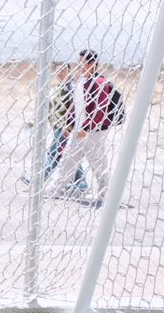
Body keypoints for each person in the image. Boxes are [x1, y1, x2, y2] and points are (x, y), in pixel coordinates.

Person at [44, 48, 121, 209]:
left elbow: (101, 108)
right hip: (79, 129)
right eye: (78, 63)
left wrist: (87, 128)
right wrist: (69, 125)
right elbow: (75, 106)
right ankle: (55, 188)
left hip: (94, 131)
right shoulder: (81, 81)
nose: (79, 66)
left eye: (82, 63)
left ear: (92, 64)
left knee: (97, 161)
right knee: (68, 158)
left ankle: (105, 193)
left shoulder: (100, 83)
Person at [42, 62, 87, 195]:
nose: (59, 73)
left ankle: (38, 180)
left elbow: (76, 108)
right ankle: (81, 183)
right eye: (57, 70)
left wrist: (70, 126)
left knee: (54, 153)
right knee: (68, 155)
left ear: (69, 71)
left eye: (62, 70)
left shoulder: (72, 87)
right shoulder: (57, 87)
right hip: (57, 126)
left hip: (67, 128)